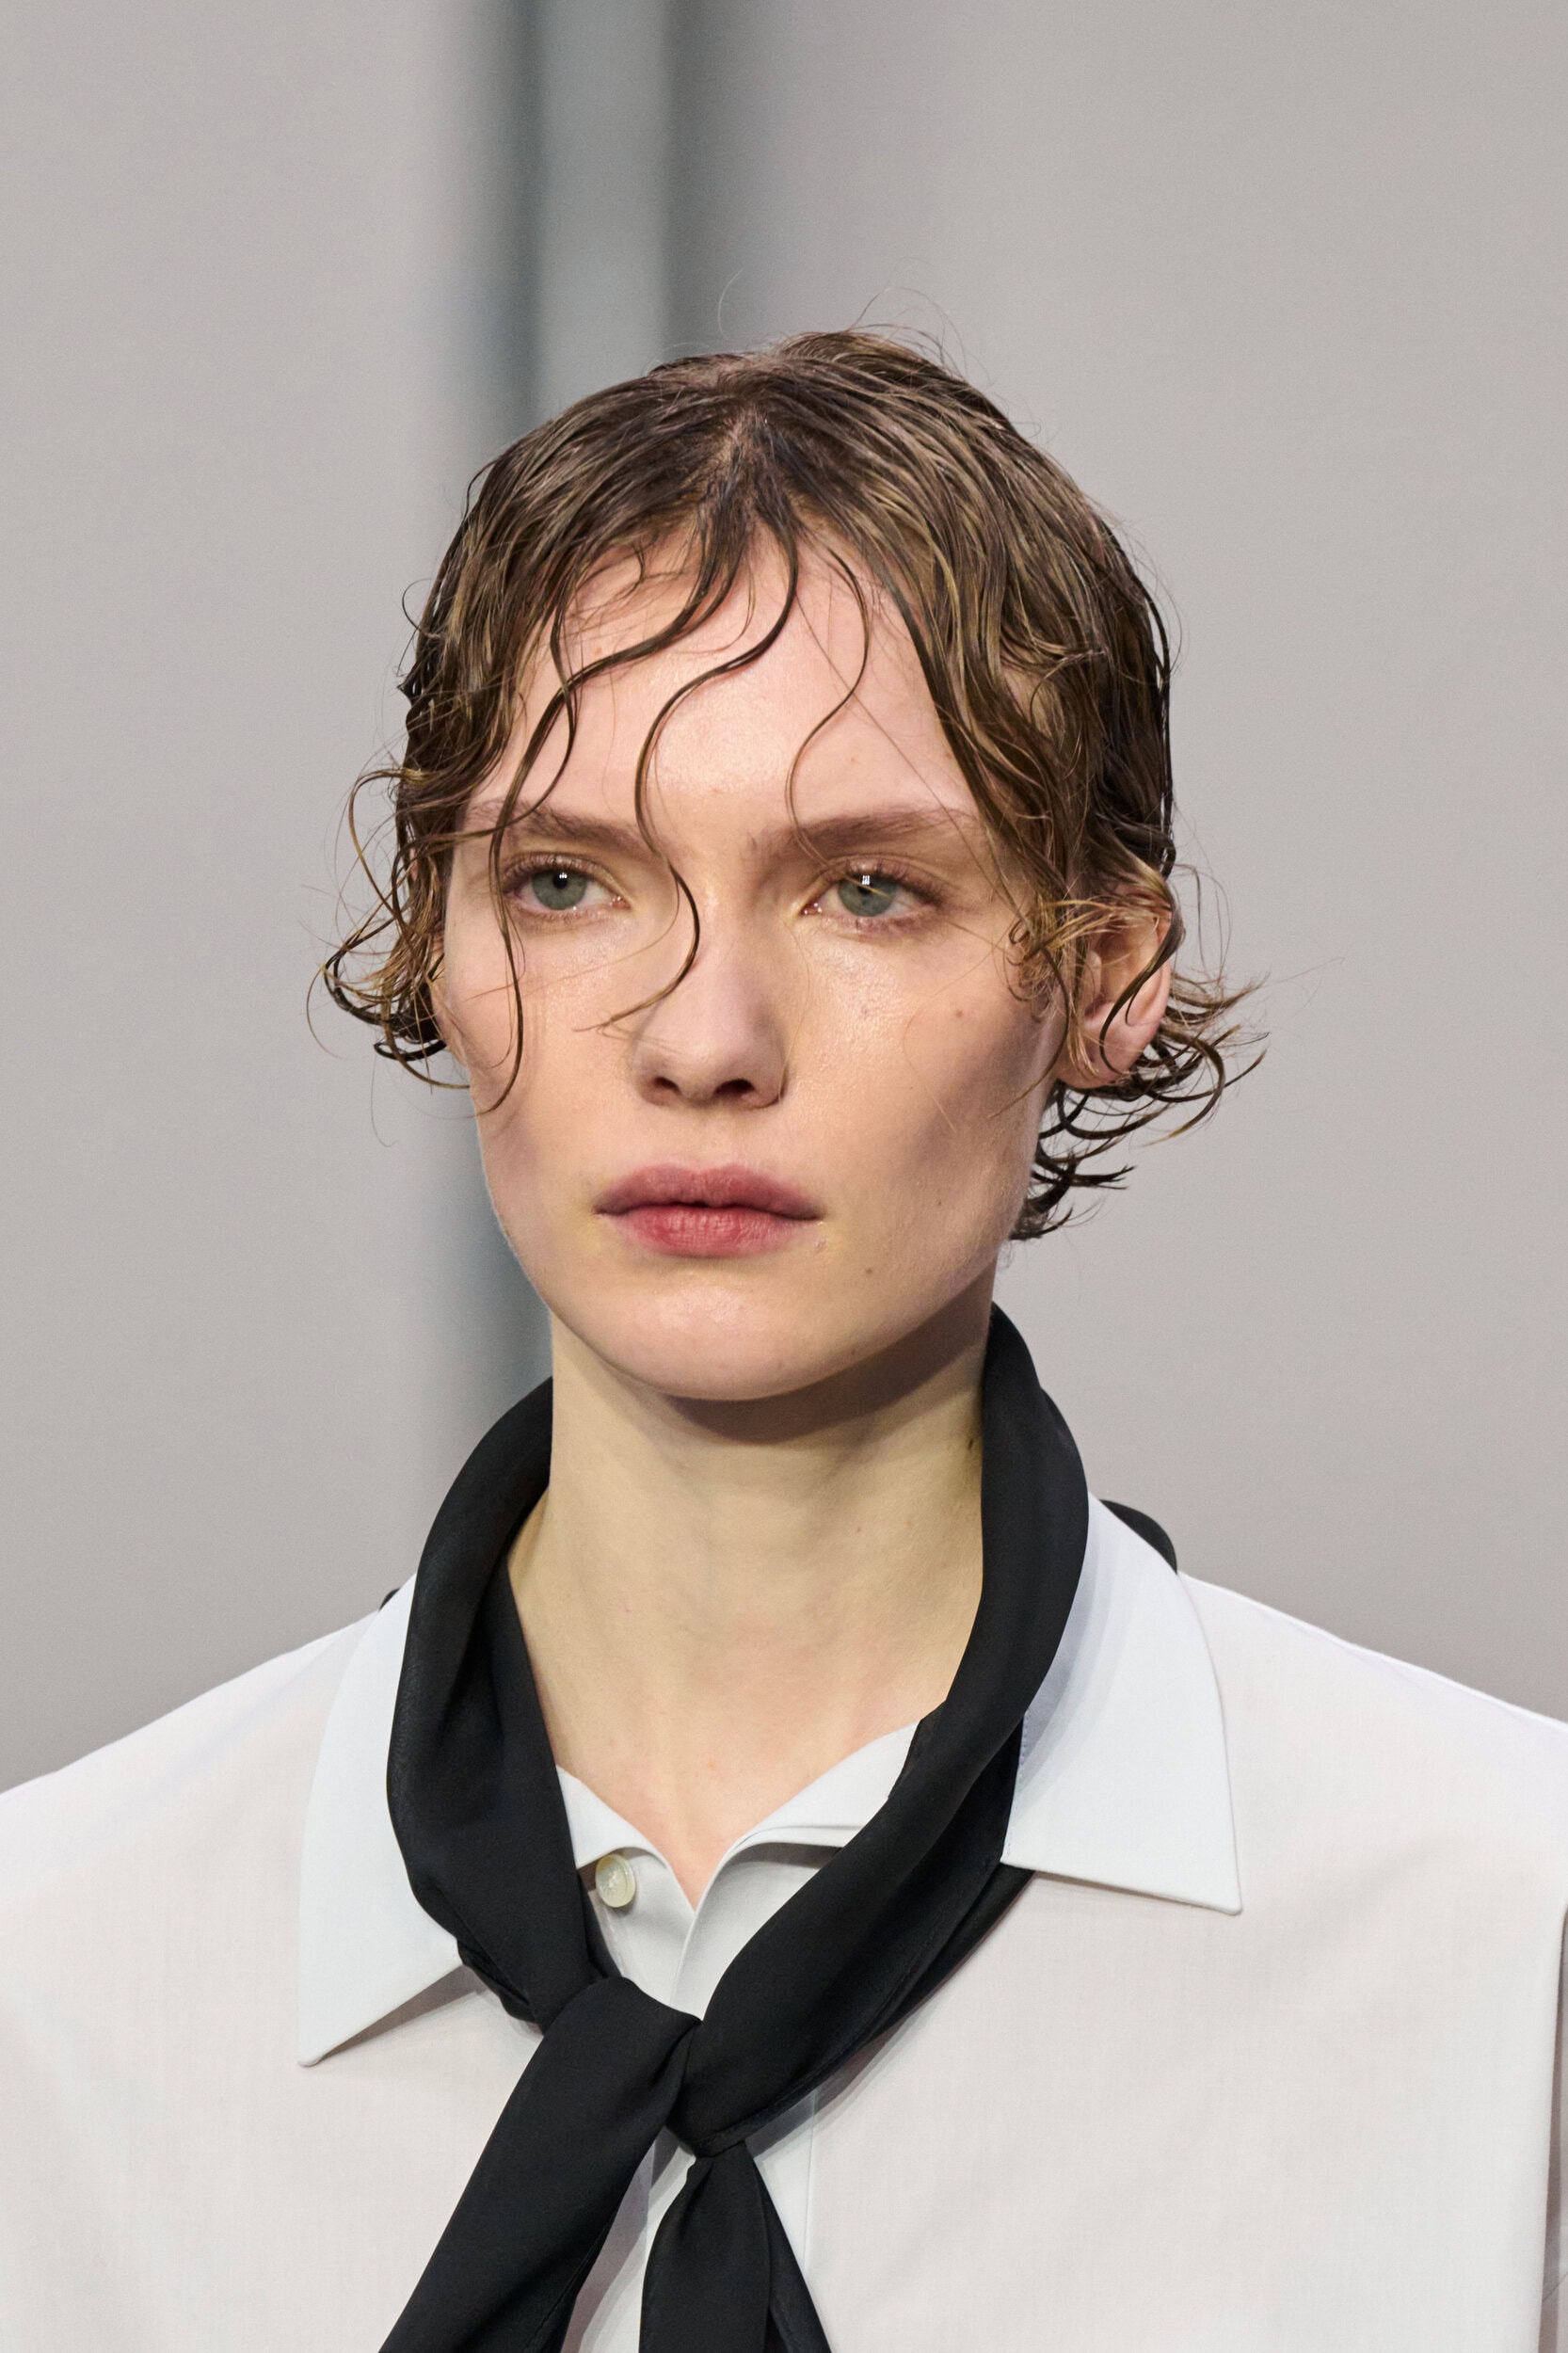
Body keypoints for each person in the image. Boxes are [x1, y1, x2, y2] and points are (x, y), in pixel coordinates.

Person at [1, 330, 1564, 2353]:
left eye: (867, 890)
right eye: (566, 881)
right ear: (436, 948)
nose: (702, 1038)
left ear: (1102, 974)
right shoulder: (58, 1977)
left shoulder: (1500, 1939)